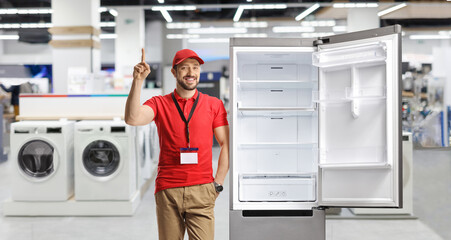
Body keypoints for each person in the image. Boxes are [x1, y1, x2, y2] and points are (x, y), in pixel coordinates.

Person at [125, 48, 229, 240]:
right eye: (184, 68)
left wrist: (218, 185)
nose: (191, 73)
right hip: (168, 190)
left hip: (202, 189)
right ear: (174, 72)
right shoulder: (159, 103)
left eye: (195, 68)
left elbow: (226, 145)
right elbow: (132, 118)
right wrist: (138, 80)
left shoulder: (214, 104)